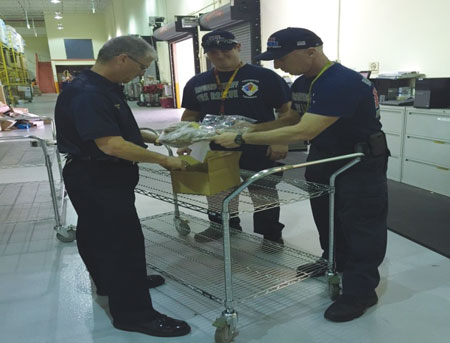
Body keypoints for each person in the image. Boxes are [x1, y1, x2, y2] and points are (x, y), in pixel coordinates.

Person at [214, 27, 389, 322]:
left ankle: (360, 292)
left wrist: (243, 140)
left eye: (281, 58)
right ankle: (332, 260)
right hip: (324, 156)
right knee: (326, 214)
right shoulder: (304, 81)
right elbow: (293, 116)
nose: (277, 65)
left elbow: (304, 130)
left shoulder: (340, 81)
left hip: (357, 161)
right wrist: (249, 129)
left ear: (311, 51)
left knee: (361, 224)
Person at [55, 35, 191, 337]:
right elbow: (112, 145)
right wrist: (165, 160)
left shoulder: (101, 88)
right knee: (123, 244)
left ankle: (110, 283)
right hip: (98, 175)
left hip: (94, 175)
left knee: (97, 234)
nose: (140, 75)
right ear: (123, 58)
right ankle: (134, 314)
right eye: (141, 67)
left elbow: (117, 130)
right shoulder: (88, 93)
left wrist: (160, 138)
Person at [179, 29, 298, 247]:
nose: (221, 56)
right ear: (206, 54)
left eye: (226, 49)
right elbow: (190, 115)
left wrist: (279, 140)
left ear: (237, 47)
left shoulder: (265, 77)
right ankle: (223, 226)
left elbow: (287, 111)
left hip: (255, 145)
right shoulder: (197, 82)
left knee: (262, 190)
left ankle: (270, 234)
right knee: (217, 189)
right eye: (213, 52)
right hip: (214, 146)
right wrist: (187, 140)